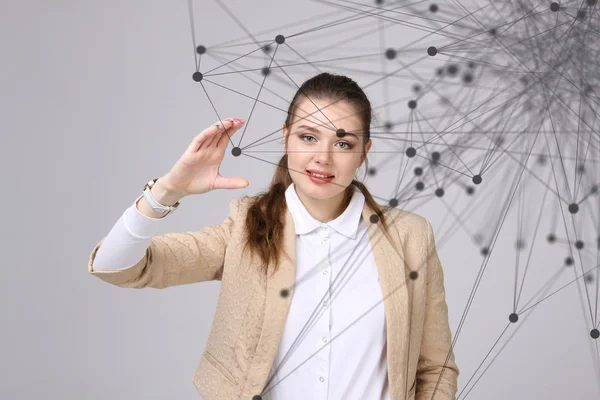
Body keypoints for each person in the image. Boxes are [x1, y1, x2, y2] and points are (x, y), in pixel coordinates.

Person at [88, 72, 459, 400]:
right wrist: (166, 191)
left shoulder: (410, 237)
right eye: (308, 137)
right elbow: (117, 267)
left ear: (364, 153)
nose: (323, 158)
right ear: (285, 138)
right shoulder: (245, 227)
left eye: (343, 143)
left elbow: (436, 368)